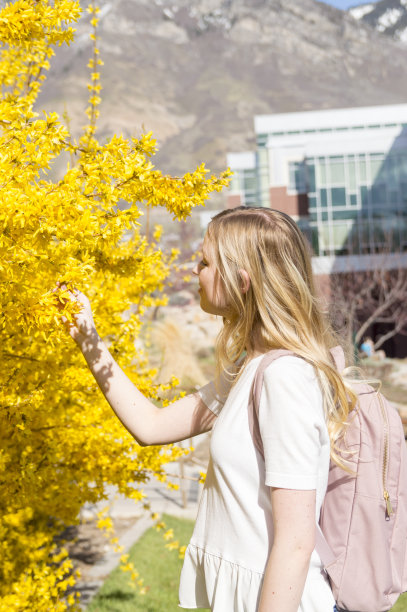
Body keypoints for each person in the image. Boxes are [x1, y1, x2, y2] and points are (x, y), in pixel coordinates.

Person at [63, 207, 356, 612]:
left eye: (204, 261)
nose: (193, 269)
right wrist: (86, 336)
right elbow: (151, 426)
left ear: (241, 280)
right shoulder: (247, 369)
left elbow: (295, 540)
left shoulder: (284, 378)